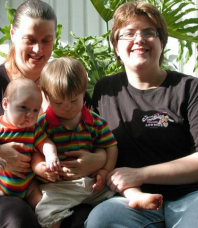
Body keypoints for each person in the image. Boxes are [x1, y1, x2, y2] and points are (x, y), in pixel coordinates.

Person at [85, 1, 198, 228]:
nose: (139, 39)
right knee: (102, 220)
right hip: (137, 202)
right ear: (116, 48)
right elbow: (90, 140)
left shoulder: (189, 88)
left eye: (149, 33)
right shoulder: (105, 91)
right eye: (128, 34)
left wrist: (141, 174)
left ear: (162, 43)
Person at [0, 1, 106, 227]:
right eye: (30, 40)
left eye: (46, 41)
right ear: (14, 35)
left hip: (54, 190)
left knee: (84, 220)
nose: (38, 49)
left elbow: (96, 132)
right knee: (15, 218)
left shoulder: (62, 82)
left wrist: (98, 160)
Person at [33, 57, 163, 228]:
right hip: (60, 188)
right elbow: (34, 151)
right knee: (46, 213)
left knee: (118, 181)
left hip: (93, 184)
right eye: (58, 102)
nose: (67, 107)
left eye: (74, 101)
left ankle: (136, 197)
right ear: (47, 96)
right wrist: (41, 168)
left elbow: (111, 146)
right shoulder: (42, 124)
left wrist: (104, 170)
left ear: (83, 92)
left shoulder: (95, 121)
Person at [0, 78, 60, 228]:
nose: (30, 115)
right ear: (6, 104)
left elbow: (46, 143)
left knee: (50, 209)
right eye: (23, 107)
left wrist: (51, 156)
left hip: (27, 185)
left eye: (35, 110)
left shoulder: (34, 129)